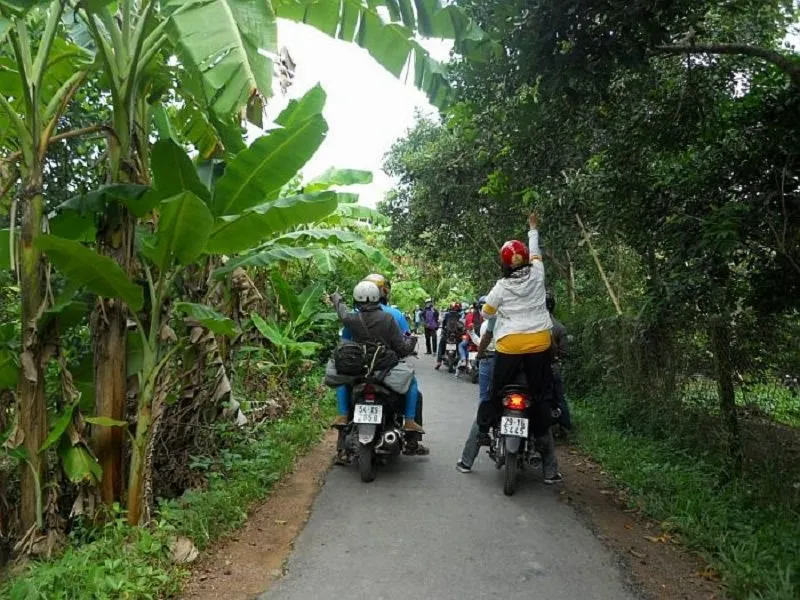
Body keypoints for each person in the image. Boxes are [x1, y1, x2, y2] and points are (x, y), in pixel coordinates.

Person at [478, 212, 562, 484]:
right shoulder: (538, 273)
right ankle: (544, 449)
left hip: (510, 346)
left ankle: (484, 430)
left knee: (495, 391)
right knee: (540, 395)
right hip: (539, 343)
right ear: (525, 258)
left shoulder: (502, 286)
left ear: (503, 263)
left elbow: (486, 312)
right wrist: (533, 228)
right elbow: (536, 249)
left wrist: (496, 311)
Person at [330, 281, 424, 434]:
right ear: (378, 297)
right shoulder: (388, 318)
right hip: (384, 367)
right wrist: (411, 342)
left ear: (356, 300)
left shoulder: (352, 319)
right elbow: (401, 348)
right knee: (411, 382)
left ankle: (342, 415)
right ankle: (409, 421)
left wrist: (336, 297)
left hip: (359, 367)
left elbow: (342, 312)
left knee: (342, 377)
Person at [456, 314, 497, 473]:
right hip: (525, 363)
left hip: (491, 360)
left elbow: (484, 342)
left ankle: (467, 461)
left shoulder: (491, 321)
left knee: (484, 405)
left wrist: (480, 355)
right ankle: (550, 470)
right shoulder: (532, 317)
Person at [547, 292, 572, 430]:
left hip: (531, 366)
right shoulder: (559, 327)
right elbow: (564, 352)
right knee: (559, 397)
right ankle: (565, 425)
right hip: (552, 367)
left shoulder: (531, 326)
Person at [436, 302, 465, 369]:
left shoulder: (447, 315)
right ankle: (462, 361)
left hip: (447, 334)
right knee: (460, 346)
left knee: (441, 345)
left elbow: (443, 324)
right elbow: (462, 325)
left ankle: (439, 361)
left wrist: (443, 328)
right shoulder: (460, 315)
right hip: (457, 335)